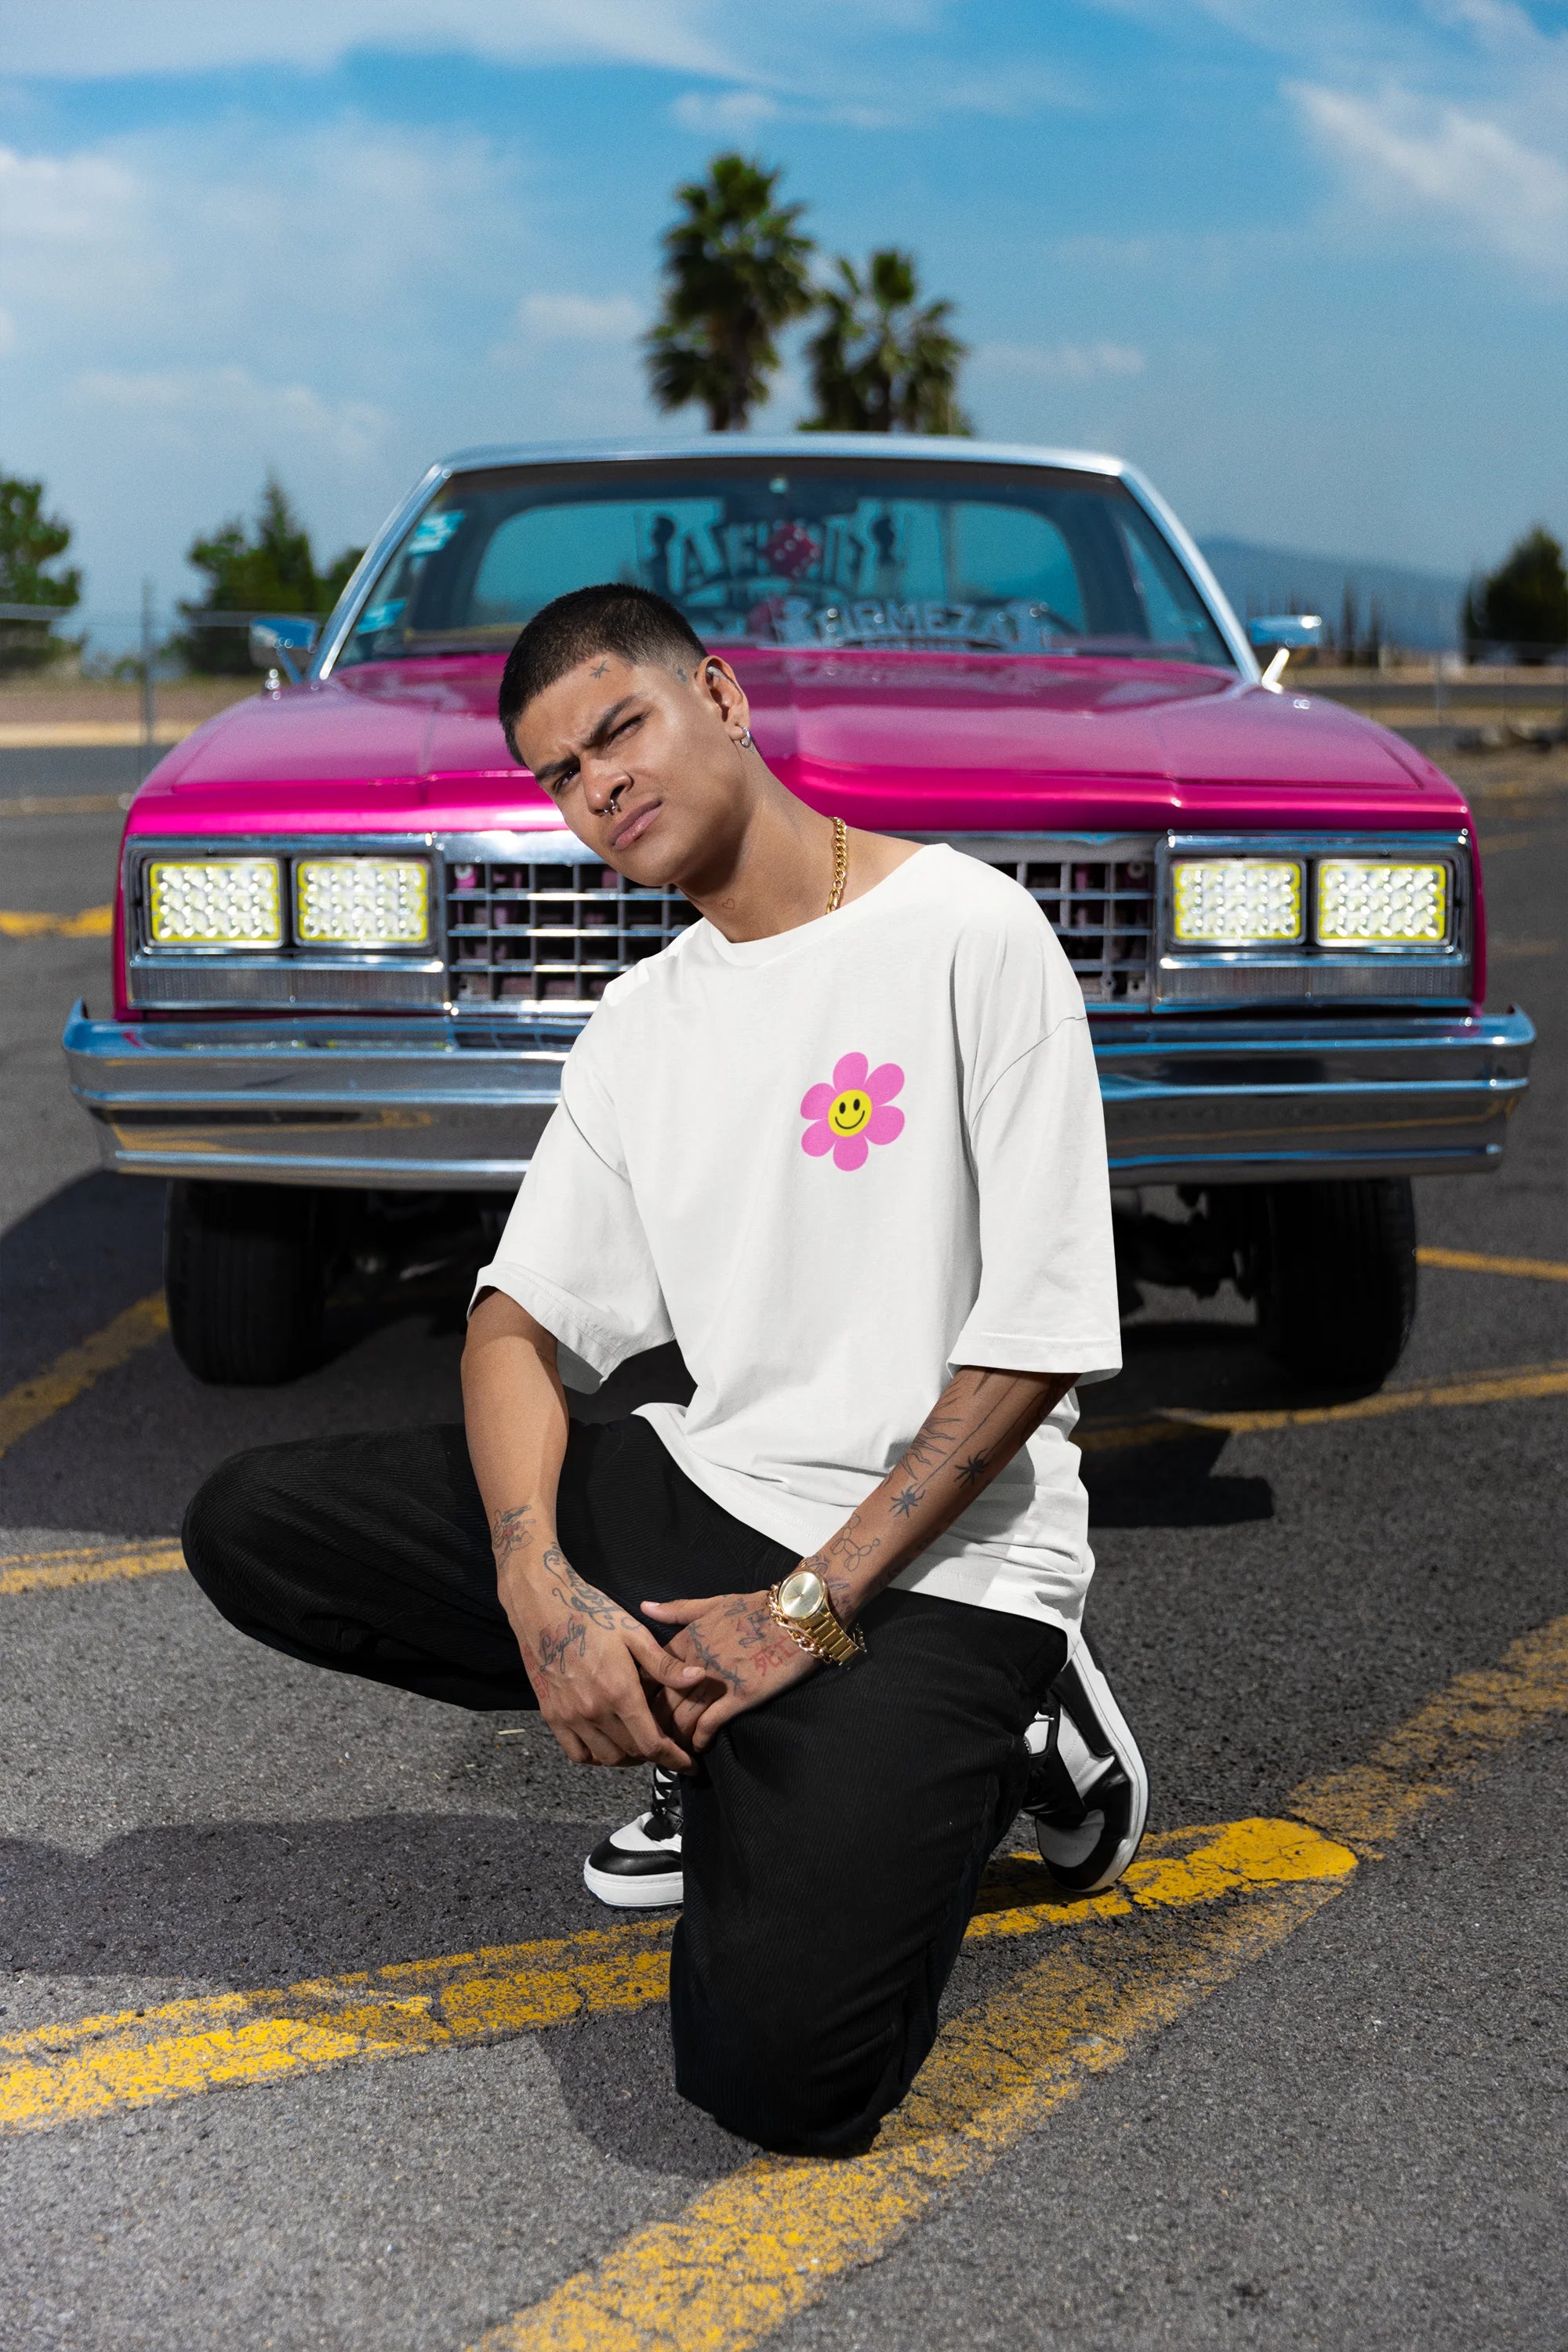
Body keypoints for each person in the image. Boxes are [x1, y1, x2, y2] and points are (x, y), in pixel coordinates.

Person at [183, 583, 1146, 2158]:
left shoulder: (970, 932)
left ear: (721, 697)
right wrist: (540, 1593)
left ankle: (1013, 1735)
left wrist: (808, 1613)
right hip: (713, 1491)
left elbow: (1035, 1339)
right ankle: (721, 1740)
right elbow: (512, 1325)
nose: (600, 788)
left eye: (618, 728)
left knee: (785, 2086)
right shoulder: (641, 1023)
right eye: (560, 774)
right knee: (250, 1522)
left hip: (941, 1571)